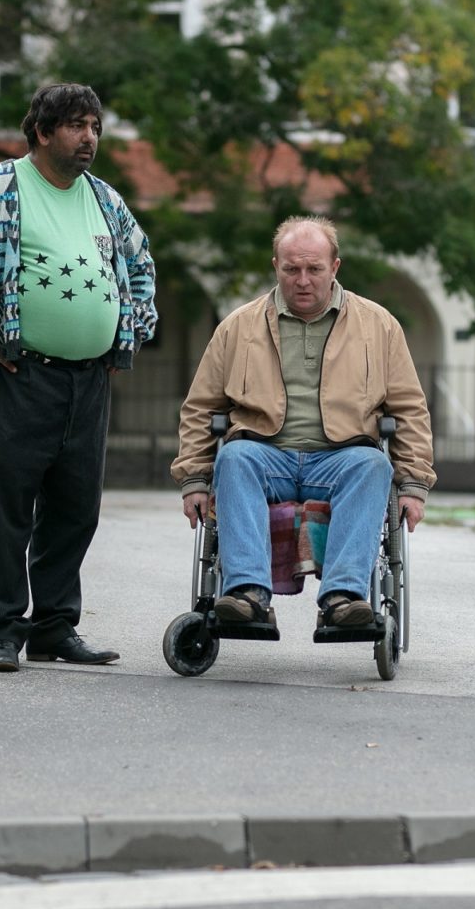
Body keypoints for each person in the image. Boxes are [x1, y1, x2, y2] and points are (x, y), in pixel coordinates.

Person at [0, 83, 157, 673]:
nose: (89, 138)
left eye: (95, 127)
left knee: (76, 508)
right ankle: (3, 629)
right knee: (8, 508)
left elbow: (141, 266)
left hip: (89, 379)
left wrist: (126, 334)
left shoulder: (103, 198)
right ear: (43, 132)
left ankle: (55, 627)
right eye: (76, 126)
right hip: (21, 373)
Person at [172, 215, 434, 629]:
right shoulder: (238, 326)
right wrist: (194, 480)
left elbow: (409, 409)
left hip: (342, 457)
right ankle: (247, 594)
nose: (303, 279)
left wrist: (414, 484)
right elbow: (200, 406)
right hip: (264, 456)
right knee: (235, 458)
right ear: (275, 266)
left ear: (335, 267)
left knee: (374, 465)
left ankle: (343, 597)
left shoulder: (378, 326)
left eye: (314, 268)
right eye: (291, 268)